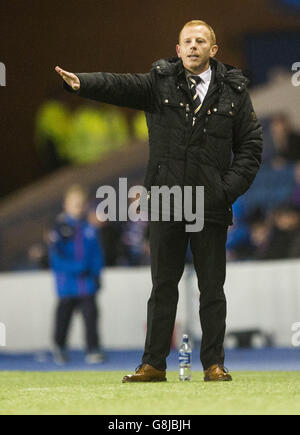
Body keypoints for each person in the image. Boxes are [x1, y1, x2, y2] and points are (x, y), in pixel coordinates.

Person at [55, 20, 263, 381]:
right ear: (179, 49)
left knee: (212, 289)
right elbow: (120, 85)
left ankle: (214, 364)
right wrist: (82, 82)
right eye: (188, 41)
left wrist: (224, 190)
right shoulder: (158, 82)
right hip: (167, 202)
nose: (194, 46)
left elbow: (251, 147)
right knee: (162, 287)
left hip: (209, 205)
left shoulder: (235, 91)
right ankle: (153, 364)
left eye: (201, 41)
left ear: (214, 50)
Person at [48, 184, 105, 365]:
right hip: (67, 285)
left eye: (81, 204)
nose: (78, 207)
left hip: (87, 284)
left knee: (91, 316)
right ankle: (59, 346)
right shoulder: (59, 229)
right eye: (75, 204)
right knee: (64, 317)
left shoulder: (89, 229)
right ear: (66, 205)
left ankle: (93, 349)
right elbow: (56, 258)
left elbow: (97, 255)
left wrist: (96, 274)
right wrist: (77, 267)